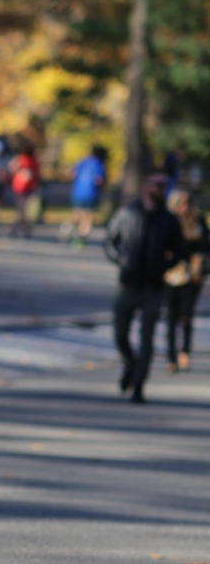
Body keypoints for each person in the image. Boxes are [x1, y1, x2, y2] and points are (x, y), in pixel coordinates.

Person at [103, 171, 185, 404]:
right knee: (120, 335)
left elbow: (179, 249)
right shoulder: (127, 213)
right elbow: (110, 241)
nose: (161, 189)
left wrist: (164, 266)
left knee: (147, 337)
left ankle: (139, 384)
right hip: (127, 284)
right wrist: (121, 260)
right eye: (157, 184)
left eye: (165, 185)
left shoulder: (169, 220)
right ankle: (130, 364)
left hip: (153, 287)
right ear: (146, 186)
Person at [163, 188, 209, 372]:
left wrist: (201, 266)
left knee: (186, 315)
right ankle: (171, 356)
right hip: (171, 274)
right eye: (181, 203)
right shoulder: (167, 221)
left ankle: (185, 352)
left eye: (188, 203)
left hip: (192, 273)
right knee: (171, 316)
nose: (185, 207)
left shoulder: (198, 221)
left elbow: (206, 245)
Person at [65, 145, 108, 249]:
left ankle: (67, 227)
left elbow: (71, 173)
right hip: (91, 193)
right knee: (87, 217)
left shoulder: (83, 161)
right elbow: (99, 180)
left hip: (78, 192)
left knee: (77, 214)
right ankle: (80, 239)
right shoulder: (99, 164)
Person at [7, 140, 41, 237]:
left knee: (22, 210)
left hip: (26, 187)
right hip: (21, 187)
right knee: (22, 209)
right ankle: (21, 229)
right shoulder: (22, 159)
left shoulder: (30, 160)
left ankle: (19, 228)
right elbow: (12, 168)